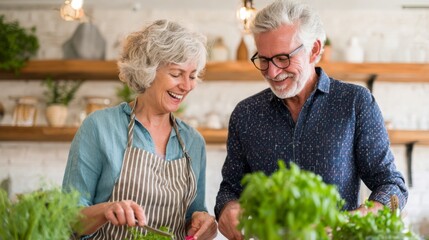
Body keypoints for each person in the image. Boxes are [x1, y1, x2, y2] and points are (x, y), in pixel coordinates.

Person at [214, 0, 408, 239]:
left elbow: (390, 185)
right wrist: (228, 207)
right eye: (263, 60)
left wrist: (351, 221)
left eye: (283, 58)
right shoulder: (246, 114)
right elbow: (230, 188)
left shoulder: (355, 103)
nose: (272, 72)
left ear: (315, 50)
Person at [62, 19, 217, 240]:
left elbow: (194, 218)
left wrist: (205, 224)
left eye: (192, 76)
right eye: (176, 74)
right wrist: (106, 210)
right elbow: (68, 220)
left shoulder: (193, 141)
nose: (187, 85)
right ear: (148, 71)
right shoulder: (100, 127)